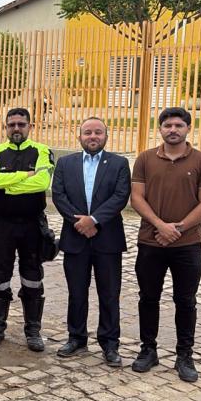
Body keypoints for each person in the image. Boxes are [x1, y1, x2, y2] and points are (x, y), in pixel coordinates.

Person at [130, 107, 201, 383]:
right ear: (160, 129)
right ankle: (148, 349)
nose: (173, 130)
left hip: (187, 244)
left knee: (186, 300)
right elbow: (137, 198)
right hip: (150, 242)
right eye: (167, 125)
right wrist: (160, 225)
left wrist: (177, 228)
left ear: (188, 128)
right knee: (148, 297)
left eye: (179, 125)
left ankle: (184, 355)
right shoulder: (144, 159)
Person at [51, 117, 130, 366]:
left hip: (107, 239)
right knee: (77, 292)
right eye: (87, 132)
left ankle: (109, 343)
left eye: (98, 132)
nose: (92, 136)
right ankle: (76, 337)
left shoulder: (119, 163)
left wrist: (94, 220)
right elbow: (58, 195)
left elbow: (120, 196)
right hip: (75, 238)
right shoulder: (66, 163)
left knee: (109, 294)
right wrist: (80, 223)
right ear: (79, 136)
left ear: (106, 136)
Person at [0, 107, 54, 352]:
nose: (16, 129)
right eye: (11, 124)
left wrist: (9, 184)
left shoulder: (42, 151)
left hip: (32, 224)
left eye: (21, 124)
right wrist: (24, 177)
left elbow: (42, 183)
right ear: (6, 126)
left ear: (29, 127)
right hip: (2, 224)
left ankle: (33, 330)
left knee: (32, 276)